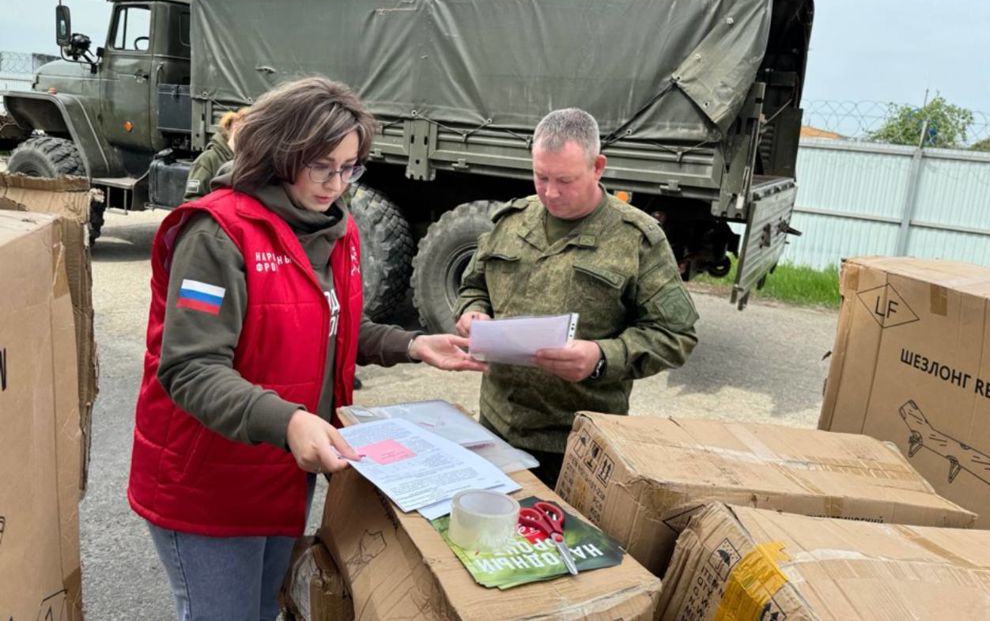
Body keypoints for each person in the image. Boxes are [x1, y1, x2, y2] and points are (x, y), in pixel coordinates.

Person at [128, 77, 487, 621]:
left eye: (350, 168)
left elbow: (328, 324)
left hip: (280, 474)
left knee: (262, 610)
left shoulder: (335, 231)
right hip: (209, 481)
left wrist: (412, 344)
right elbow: (192, 368)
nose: (337, 184)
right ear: (280, 153)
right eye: (324, 166)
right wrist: (291, 421)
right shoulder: (216, 234)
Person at [454, 108, 699, 488]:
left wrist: (601, 358)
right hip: (498, 428)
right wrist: (473, 313)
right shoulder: (512, 221)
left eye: (565, 180)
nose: (550, 192)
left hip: (577, 444)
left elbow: (676, 335)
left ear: (597, 166)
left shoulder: (635, 238)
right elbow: (474, 286)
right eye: (541, 177)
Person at [182, 107, 247, 202]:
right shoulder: (207, 160)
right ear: (236, 127)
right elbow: (192, 201)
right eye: (250, 132)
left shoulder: (246, 162)